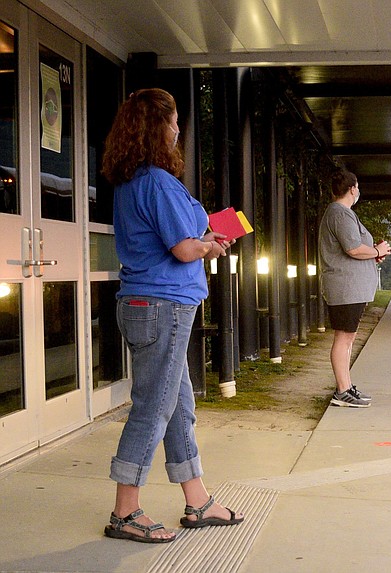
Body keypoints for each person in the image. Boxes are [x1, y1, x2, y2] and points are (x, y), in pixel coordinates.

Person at [101, 88, 243, 543]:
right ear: (157, 127)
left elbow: (181, 235)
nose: (179, 129)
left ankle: (198, 500)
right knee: (156, 407)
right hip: (164, 307)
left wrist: (205, 236)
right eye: (176, 120)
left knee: (179, 406)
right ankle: (125, 511)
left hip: (146, 305)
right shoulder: (158, 182)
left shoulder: (131, 181)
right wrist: (209, 246)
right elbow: (183, 249)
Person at [319, 170, 391, 408]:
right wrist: (377, 251)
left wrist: (372, 255)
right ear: (352, 189)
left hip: (350, 288)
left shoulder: (342, 213)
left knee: (348, 337)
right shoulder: (340, 214)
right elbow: (353, 248)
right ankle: (342, 391)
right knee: (343, 337)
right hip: (345, 287)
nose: (358, 191)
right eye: (357, 187)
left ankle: (347, 386)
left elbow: (359, 250)